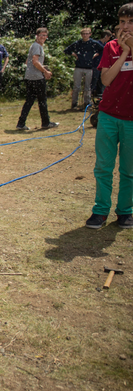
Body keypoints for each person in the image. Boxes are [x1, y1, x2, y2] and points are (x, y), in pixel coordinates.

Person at [85, 4, 133, 229]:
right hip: (108, 116)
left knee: (129, 170)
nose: (125, 27)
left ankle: (124, 212)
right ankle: (100, 211)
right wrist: (124, 52)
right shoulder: (111, 47)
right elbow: (106, 80)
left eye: (130, 22)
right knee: (103, 166)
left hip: (131, 120)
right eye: (122, 22)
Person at [16, 28, 59, 130]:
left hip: (30, 77)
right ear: (37, 36)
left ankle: (21, 123)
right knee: (42, 100)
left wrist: (41, 67)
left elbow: (28, 62)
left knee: (30, 100)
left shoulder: (34, 46)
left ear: (47, 37)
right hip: (37, 78)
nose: (43, 37)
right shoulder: (37, 46)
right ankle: (46, 123)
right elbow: (35, 62)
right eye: (41, 35)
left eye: (44, 35)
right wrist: (45, 71)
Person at [64, 28, 104, 110]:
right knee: (76, 87)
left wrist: (96, 54)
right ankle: (74, 104)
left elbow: (103, 49)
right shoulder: (78, 43)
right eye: (83, 34)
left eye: (87, 33)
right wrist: (74, 54)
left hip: (89, 67)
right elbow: (67, 50)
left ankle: (87, 104)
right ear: (81, 35)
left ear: (90, 34)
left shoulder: (93, 43)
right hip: (79, 67)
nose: (85, 35)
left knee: (87, 87)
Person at [92, 30, 113, 97]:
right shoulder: (97, 44)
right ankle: (91, 95)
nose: (109, 39)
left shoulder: (106, 45)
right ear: (106, 36)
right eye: (109, 37)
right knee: (94, 81)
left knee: (101, 82)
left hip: (103, 66)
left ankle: (99, 94)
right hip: (95, 65)